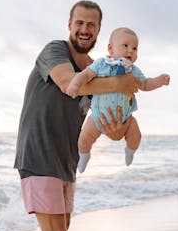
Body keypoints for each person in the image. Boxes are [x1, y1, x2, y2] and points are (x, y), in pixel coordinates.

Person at [14, 0, 140, 231]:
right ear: (70, 25)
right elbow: (66, 83)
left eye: (91, 24)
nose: (85, 29)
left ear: (99, 30)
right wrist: (118, 84)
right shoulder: (54, 51)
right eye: (79, 23)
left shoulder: (98, 69)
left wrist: (119, 130)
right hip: (39, 153)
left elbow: (107, 120)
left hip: (67, 160)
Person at [65, 27, 170, 173]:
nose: (131, 51)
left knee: (136, 136)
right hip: (97, 117)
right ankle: (84, 155)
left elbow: (145, 84)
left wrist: (159, 81)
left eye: (135, 48)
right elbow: (86, 75)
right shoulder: (101, 64)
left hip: (126, 118)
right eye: (125, 46)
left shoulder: (133, 70)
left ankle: (130, 151)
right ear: (111, 48)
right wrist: (75, 84)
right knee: (84, 139)